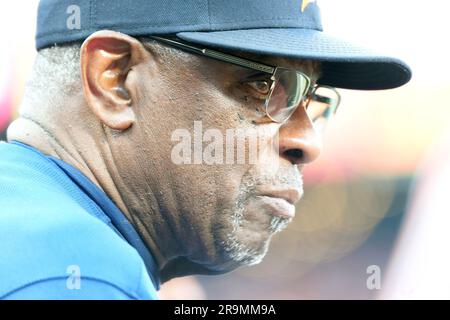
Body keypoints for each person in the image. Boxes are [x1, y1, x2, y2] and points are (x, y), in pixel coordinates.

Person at [0, 0, 411, 299]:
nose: (307, 142)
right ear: (116, 80)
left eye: (312, 99)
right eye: (263, 85)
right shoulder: (82, 273)